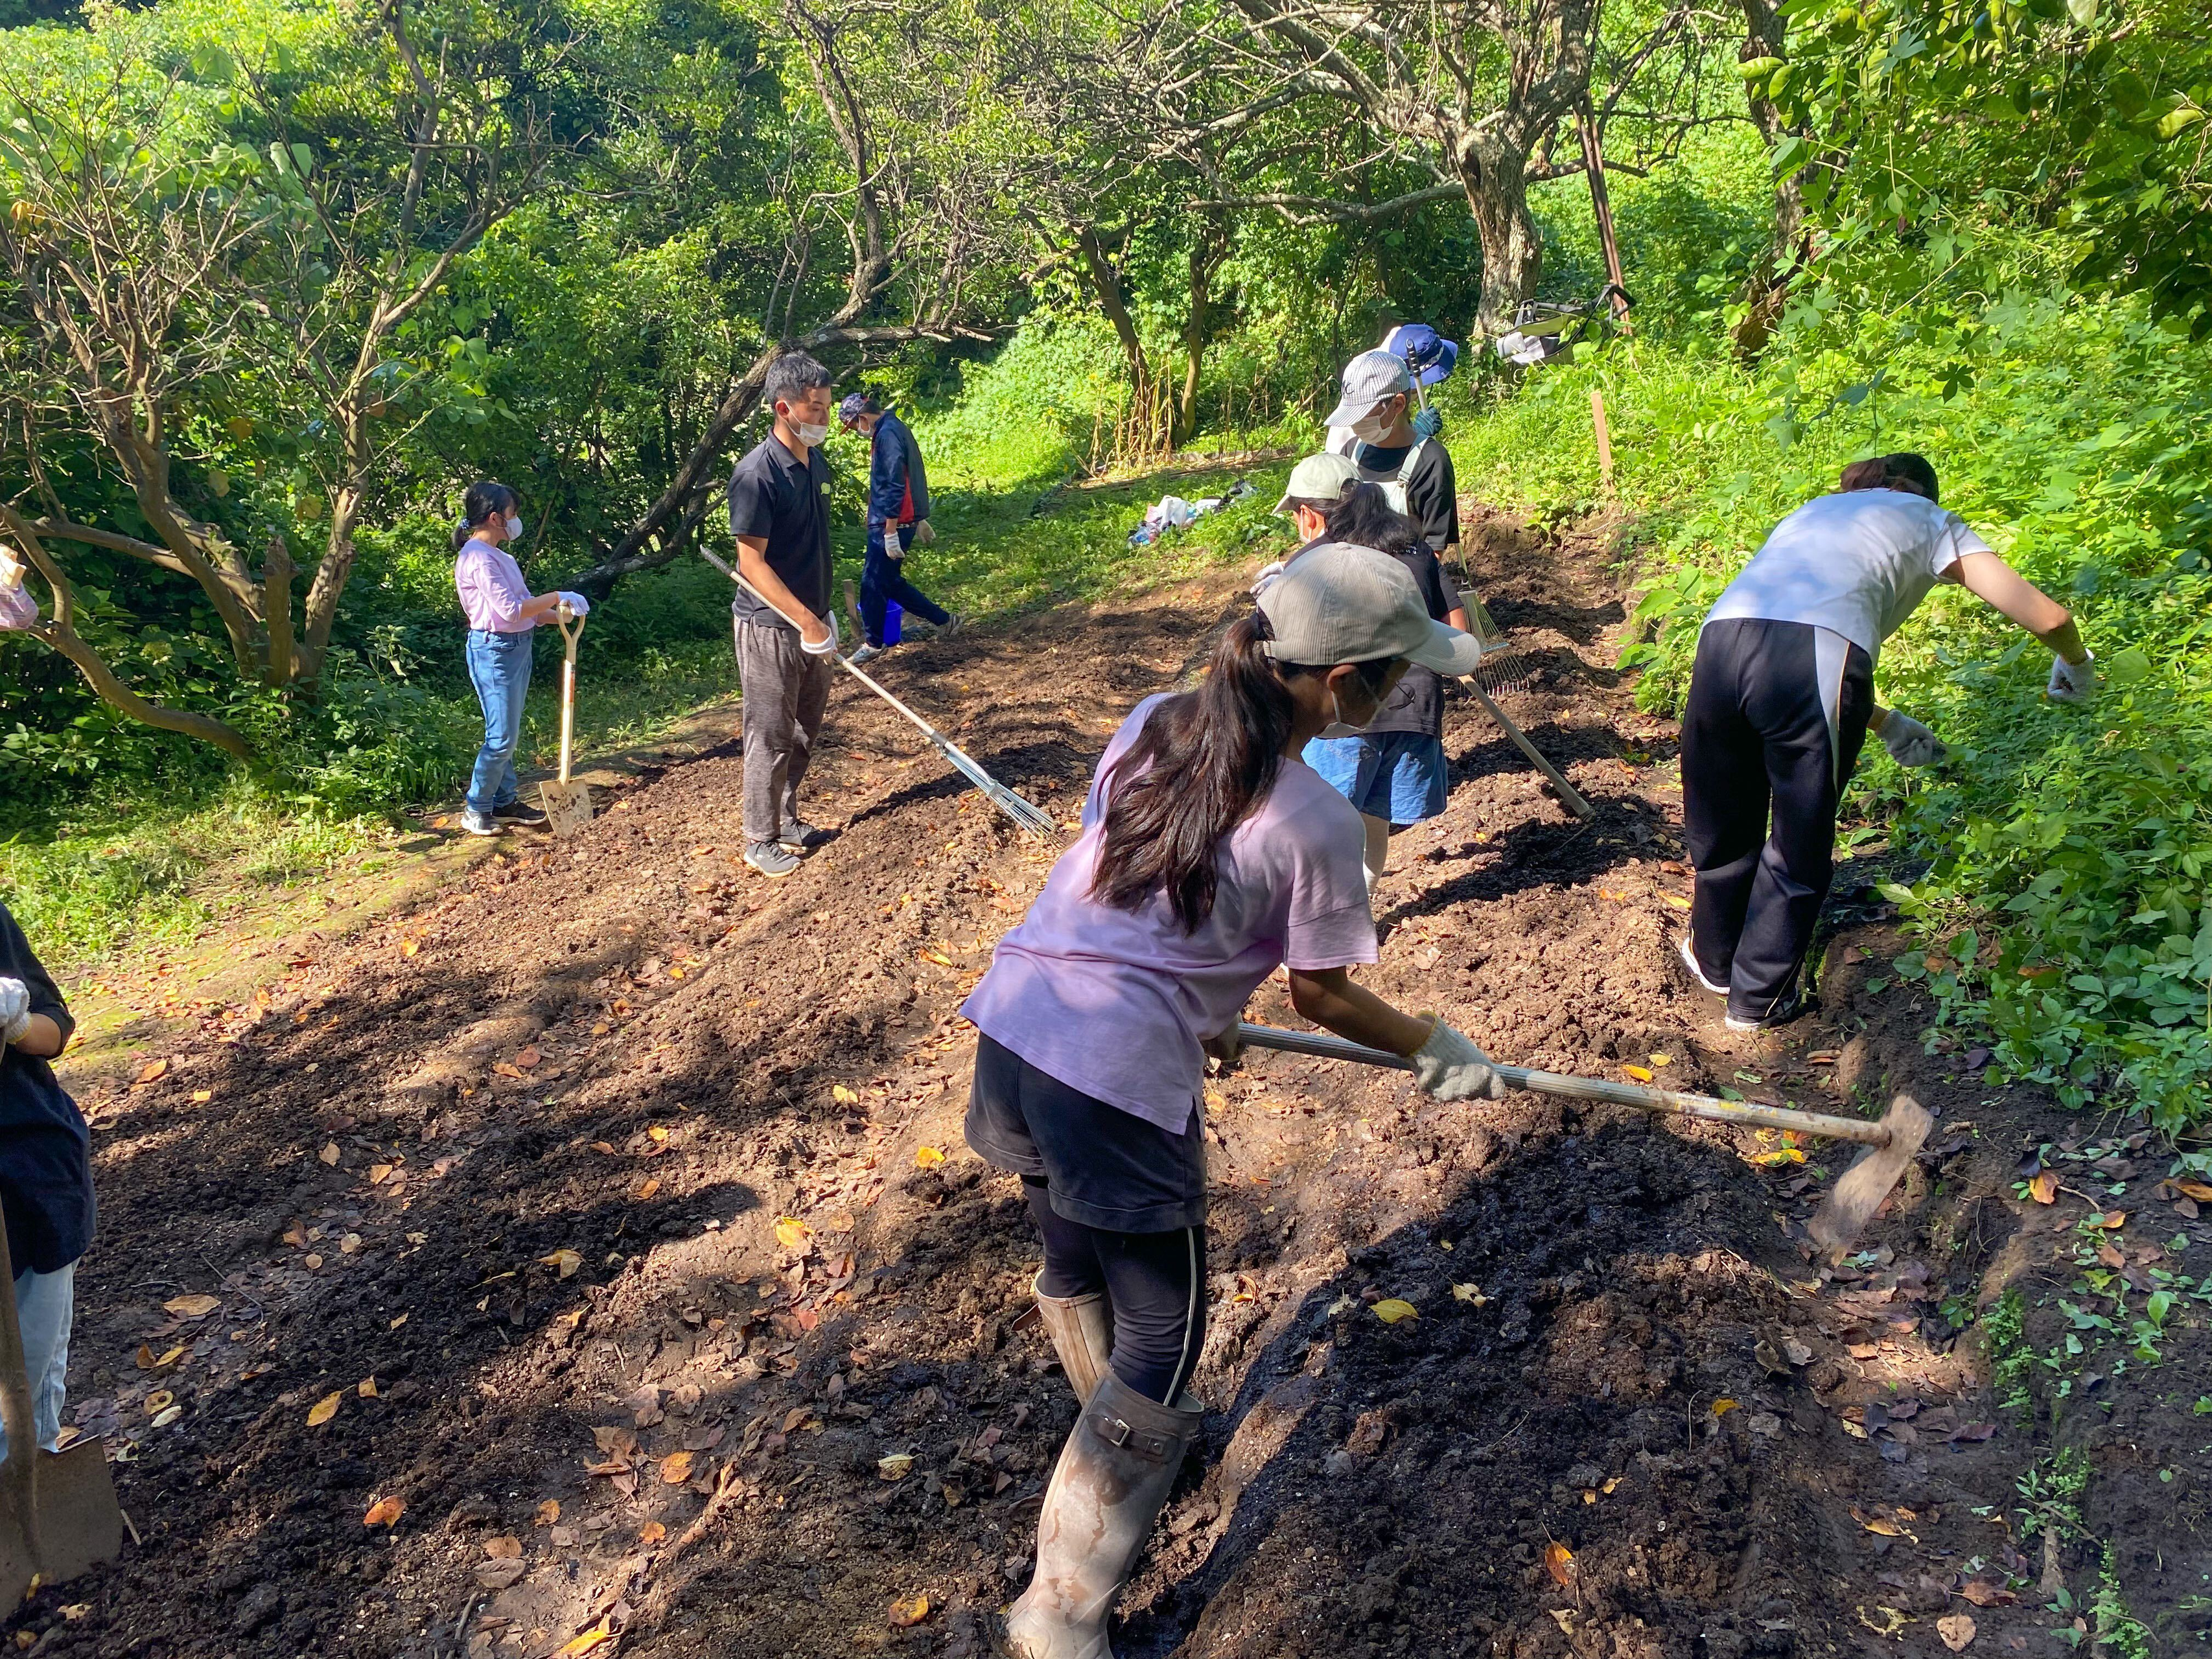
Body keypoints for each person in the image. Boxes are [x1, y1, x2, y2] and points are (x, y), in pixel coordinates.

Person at [961, 544, 1497, 1659]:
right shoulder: (1317, 824)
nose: (1405, 688)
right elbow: (1322, 994)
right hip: (1110, 1074)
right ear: (1340, 683)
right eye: (1396, 671)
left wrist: (1206, 1009)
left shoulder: (1158, 717)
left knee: (1069, 1258)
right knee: (1162, 1330)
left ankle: (1109, 1436)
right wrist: (1434, 1045)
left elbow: (1144, 884)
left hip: (1017, 1022)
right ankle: (1058, 1613)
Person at [1681, 452, 2095, 1032]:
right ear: (1919, 491)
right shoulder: (1929, 519)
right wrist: (2076, 664)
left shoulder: (1812, 512)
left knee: (1723, 816)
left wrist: (1882, 721)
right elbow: (2047, 619)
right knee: (1798, 837)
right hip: (1815, 657)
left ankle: (1714, 963)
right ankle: (1757, 1003)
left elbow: (1780, 637)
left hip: (1720, 640)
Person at [1302, 483, 1471, 886]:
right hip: (1415, 709)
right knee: (1374, 821)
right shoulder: (1419, 554)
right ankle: (1359, 912)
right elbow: (1457, 623)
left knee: (1319, 826)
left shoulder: (1323, 557)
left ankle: (1316, 925)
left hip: (1341, 713)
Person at [728, 352, 846, 879]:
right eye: (815, 409)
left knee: (804, 729)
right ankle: (760, 838)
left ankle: (787, 815)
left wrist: (825, 614)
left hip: (813, 620)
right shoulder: (757, 474)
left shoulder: (815, 464)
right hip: (770, 626)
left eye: (826, 407)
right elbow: (750, 561)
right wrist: (805, 619)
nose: (823, 419)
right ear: (784, 408)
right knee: (770, 733)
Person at [0, 901, 95, 1466]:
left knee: (28, 1374)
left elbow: (54, 1029)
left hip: (30, 1175)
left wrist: (12, 1023)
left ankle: (26, 1491)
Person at [452, 483, 588, 838]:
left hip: (516, 646)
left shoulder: (503, 558)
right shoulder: (478, 558)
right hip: (494, 650)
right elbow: (510, 611)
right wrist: (558, 594)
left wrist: (560, 614)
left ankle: (505, 800)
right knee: (501, 738)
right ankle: (476, 808)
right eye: (513, 513)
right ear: (496, 518)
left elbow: (526, 607)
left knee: (507, 731)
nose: (516, 520)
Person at [837, 392, 959, 666]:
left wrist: (891, 530)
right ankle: (945, 620)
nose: (857, 431)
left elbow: (894, 482)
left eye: (854, 425)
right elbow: (910, 474)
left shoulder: (887, 435)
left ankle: (873, 643)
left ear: (862, 418)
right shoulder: (894, 427)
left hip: (891, 522)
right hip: (901, 518)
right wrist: (918, 518)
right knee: (889, 582)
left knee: (872, 583)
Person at [1321, 349, 1460, 559]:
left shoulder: (1430, 462)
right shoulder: (1351, 452)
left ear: (1397, 405)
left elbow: (1433, 553)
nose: (1355, 423)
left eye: (1363, 414)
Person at [1251, 451, 1360, 594]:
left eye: (1294, 514)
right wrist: (1289, 565)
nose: (1293, 519)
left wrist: (1284, 589)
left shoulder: (1322, 580)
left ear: (1307, 515)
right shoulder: (1388, 533)